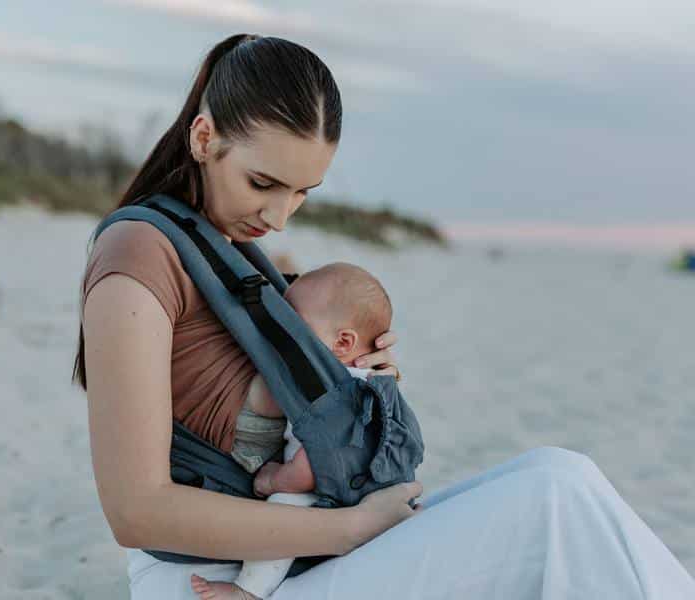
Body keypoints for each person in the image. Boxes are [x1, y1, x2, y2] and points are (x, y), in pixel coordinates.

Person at [74, 34, 695, 599]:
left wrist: (354, 385)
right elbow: (135, 510)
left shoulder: (235, 258)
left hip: (294, 558)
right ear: (205, 139)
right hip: (211, 582)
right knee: (552, 503)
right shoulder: (139, 254)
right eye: (263, 182)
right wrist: (352, 529)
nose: (281, 216)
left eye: (301, 193)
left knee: (564, 473)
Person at [191, 262, 395, 600]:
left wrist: (275, 480)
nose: (280, 328)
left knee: (283, 510)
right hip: (360, 485)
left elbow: (318, 461)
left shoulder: (337, 393)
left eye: (293, 321)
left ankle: (248, 591)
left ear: (342, 342)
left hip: (336, 489)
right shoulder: (361, 381)